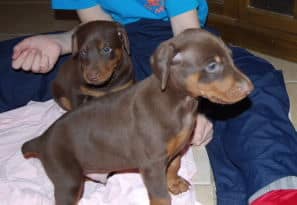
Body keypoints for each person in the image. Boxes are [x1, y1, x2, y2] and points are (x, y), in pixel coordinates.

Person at [0, 0, 297, 204]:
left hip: (177, 39)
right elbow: (100, 27)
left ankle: (275, 190)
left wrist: (199, 104)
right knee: (16, 60)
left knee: (257, 86)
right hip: (116, 45)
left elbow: (186, 33)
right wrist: (63, 43)